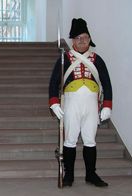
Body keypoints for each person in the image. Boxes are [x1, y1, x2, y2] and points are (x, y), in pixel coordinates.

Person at [49, 18, 112, 187]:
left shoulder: (97, 59)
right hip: (71, 103)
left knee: (90, 140)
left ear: (90, 39)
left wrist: (107, 105)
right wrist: (54, 103)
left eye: (85, 37)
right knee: (69, 140)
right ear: (73, 41)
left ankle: (91, 174)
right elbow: (54, 82)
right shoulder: (65, 58)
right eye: (78, 38)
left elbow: (106, 83)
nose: (82, 41)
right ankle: (69, 175)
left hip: (91, 104)